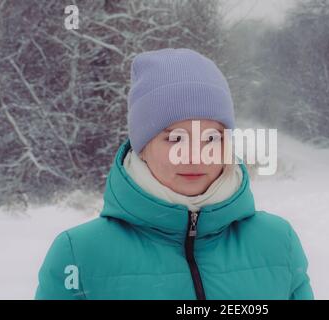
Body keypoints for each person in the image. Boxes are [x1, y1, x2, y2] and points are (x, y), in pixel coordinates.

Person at [34, 48, 314, 300]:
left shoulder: (278, 242)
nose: (195, 155)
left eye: (211, 138)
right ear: (142, 147)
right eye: (176, 139)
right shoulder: (79, 254)